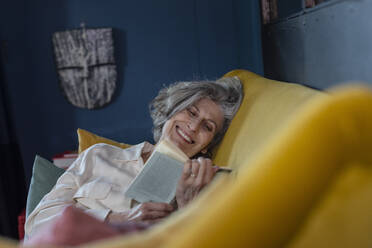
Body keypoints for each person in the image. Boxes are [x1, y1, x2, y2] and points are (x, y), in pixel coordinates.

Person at [24, 76, 243, 244]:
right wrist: (117, 219)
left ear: (207, 146)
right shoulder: (99, 154)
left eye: (207, 127)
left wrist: (186, 208)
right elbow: (36, 224)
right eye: (191, 113)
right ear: (171, 112)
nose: (193, 127)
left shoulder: (200, 186)